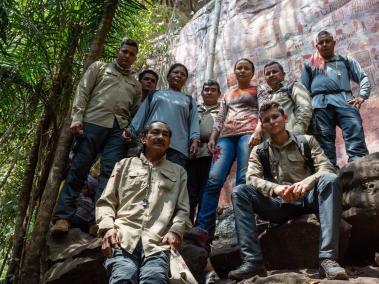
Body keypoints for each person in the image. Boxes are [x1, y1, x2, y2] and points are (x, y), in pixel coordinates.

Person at [228, 101, 347, 281]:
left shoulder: (306, 141)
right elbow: (251, 179)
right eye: (266, 120)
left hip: (308, 199)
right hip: (278, 205)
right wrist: (276, 189)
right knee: (240, 192)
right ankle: (253, 263)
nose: (272, 121)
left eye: (275, 116)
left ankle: (328, 260)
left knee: (330, 180)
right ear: (263, 125)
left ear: (285, 117)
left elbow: (327, 168)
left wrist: (308, 182)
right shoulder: (259, 151)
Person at [50, 38, 142, 234]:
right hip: (93, 123)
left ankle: (99, 221)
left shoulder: (135, 84)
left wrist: (130, 132)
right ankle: (62, 218)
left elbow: (135, 111)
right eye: (125, 51)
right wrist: (77, 117)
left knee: (109, 175)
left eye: (132, 54)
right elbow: (83, 91)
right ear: (119, 51)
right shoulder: (99, 68)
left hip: (118, 131)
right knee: (79, 169)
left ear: (135, 58)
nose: (127, 56)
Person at [96, 121, 191, 284]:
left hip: (158, 243)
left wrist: (175, 231)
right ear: (143, 138)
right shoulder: (124, 165)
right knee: (122, 279)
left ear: (169, 142)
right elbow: (106, 201)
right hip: (123, 239)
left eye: (165, 134)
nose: (160, 137)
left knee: (154, 280)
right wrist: (107, 228)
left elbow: (183, 209)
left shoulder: (179, 172)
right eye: (155, 132)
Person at [187, 58, 262, 245]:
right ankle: (202, 228)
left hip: (248, 134)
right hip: (225, 138)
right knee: (213, 180)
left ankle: (243, 229)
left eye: (246, 68)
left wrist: (259, 131)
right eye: (239, 68)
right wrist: (213, 137)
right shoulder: (228, 94)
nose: (242, 71)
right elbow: (220, 118)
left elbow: (264, 110)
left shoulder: (259, 90)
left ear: (252, 72)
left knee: (243, 180)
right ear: (234, 72)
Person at [301, 30, 371, 166]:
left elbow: (363, 77)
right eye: (321, 42)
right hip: (320, 104)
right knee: (324, 138)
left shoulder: (345, 60)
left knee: (354, 130)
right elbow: (303, 90)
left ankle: (359, 164)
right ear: (316, 46)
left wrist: (362, 96)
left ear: (334, 42)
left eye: (328, 41)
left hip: (345, 100)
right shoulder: (309, 65)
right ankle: (329, 169)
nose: (325, 44)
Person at [124, 63, 200, 169]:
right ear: (168, 76)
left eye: (183, 74)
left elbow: (193, 123)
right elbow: (141, 116)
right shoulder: (154, 94)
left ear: (185, 80)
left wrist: (195, 141)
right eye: (176, 72)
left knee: (170, 182)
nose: (179, 75)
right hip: (150, 143)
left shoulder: (189, 100)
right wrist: (130, 131)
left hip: (177, 148)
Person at [187, 80, 221, 223]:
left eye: (213, 90)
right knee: (189, 193)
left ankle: (204, 233)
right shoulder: (194, 109)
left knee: (207, 193)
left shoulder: (222, 110)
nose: (209, 92)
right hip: (192, 155)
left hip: (212, 156)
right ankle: (185, 229)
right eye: (206, 89)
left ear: (219, 94)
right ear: (201, 93)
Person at [253, 61, 312, 139]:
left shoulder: (293, 86)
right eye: (268, 73)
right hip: (273, 144)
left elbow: (305, 108)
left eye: (274, 72)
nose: (271, 75)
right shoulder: (265, 96)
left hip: (292, 137)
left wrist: (297, 133)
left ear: (283, 74)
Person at [126, 69, 159, 158]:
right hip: (122, 135)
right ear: (139, 81)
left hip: (140, 143)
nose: (149, 82)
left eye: (153, 81)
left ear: (155, 86)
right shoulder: (128, 96)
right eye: (146, 79)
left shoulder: (155, 105)